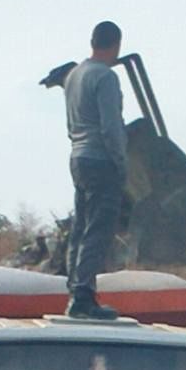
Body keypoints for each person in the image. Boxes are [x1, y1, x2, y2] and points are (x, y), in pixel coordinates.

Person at [62, 20, 128, 320]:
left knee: (80, 227)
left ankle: (74, 289)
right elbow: (111, 127)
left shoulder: (74, 75)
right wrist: (121, 162)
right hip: (101, 160)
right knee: (98, 230)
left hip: (78, 157)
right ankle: (84, 298)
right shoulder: (106, 77)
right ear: (115, 45)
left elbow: (69, 125)